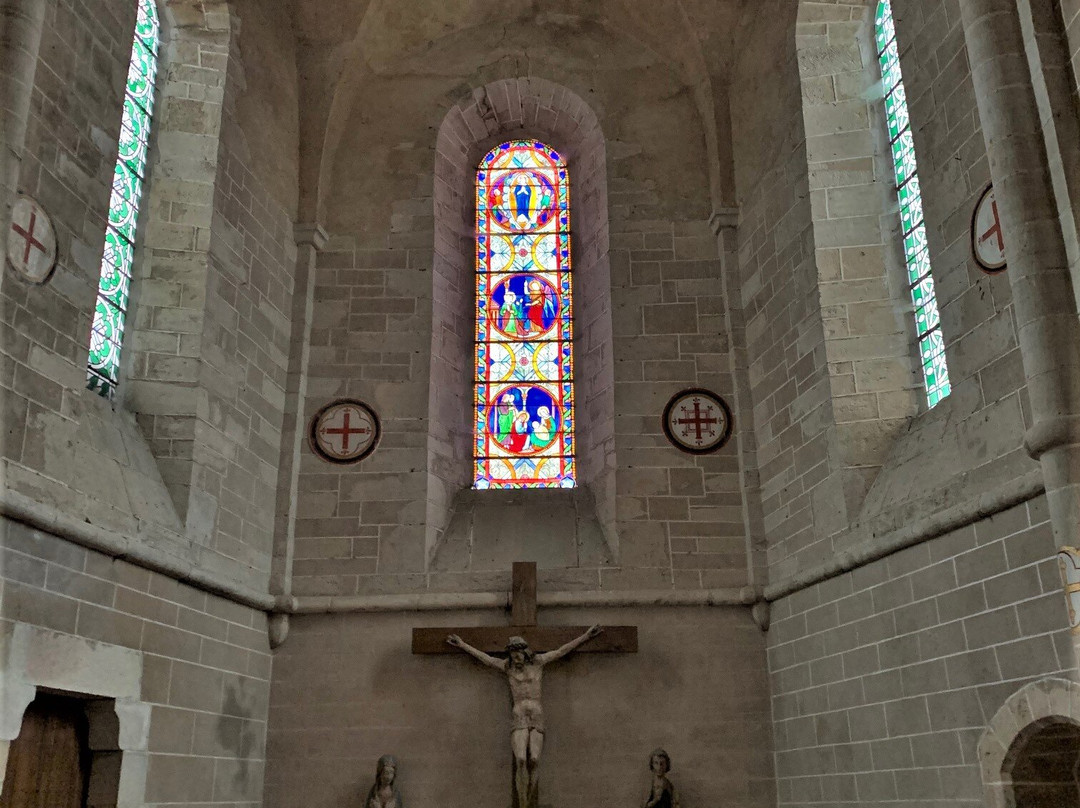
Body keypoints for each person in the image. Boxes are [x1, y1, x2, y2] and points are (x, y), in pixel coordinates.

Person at [446, 627, 602, 808]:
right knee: (520, 759)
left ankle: (530, 796)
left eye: (518, 653)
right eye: (512, 654)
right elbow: (486, 659)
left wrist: (585, 636)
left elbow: (562, 650)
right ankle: (523, 801)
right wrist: (463, 645)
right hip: (519, 715)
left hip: (536, 715)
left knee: (534, 759)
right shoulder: (507, 667)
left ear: (524, 651)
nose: (515, 657)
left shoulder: (539, 663)